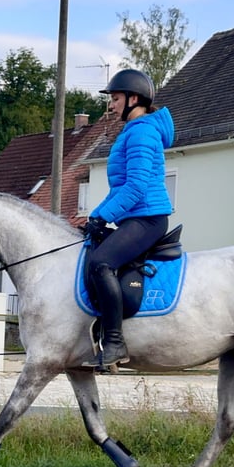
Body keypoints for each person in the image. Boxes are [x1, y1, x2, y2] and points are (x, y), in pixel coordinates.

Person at [83, 69, 175, 370]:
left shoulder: (142, 132)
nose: (111, 105)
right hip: (136, 215)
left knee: (101, 263)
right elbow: (120, 188)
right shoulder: (132, 131)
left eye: (115, 98)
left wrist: (105, 216)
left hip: (147, 218)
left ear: (133, 98)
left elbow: (136, 187)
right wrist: (95, 217)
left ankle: (114, 342)